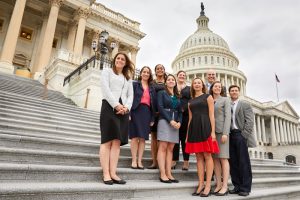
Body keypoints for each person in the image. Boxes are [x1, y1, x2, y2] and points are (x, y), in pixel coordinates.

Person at [99, 52, 134, 185]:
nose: (120, 60)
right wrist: (116, 105)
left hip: (123, 111)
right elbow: (105, 89)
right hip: (109, 107)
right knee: (107, 141)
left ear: (125, 63)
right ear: (115, 60)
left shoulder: (127, 78)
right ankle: (106, 173)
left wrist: (126, 108)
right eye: (118, 58)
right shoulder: (107, 72)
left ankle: (113, 173)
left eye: (122, 59)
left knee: (117, 143)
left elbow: (131, 95)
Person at [185, 78, 219, 197]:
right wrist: (187, 135)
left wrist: (213, 132)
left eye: (199, 83)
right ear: (192, 86)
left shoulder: (208, 97)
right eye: (195, 83)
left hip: (205, 127)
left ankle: (208, 185)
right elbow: (190, 119)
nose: (197, 84)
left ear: (202, 85)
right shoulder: (190, 101)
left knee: (207, 155)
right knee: (198, 157)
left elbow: (211, 115)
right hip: (194, 128)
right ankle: (200, 184)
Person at [228, 85, 256, 196]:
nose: (234, 92)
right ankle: (237, 186)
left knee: (244, 162)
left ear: (238, 92)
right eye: (232, 91)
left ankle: (245, 188)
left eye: (236, 90)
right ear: (229, 93)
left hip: (240, 134)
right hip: (230, 135)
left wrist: (244, 135)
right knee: (233, 162)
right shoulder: (228, 104)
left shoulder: (245, 104)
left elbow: (250, 121)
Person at [129, 66, 156, 170]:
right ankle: (134, 160)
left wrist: (153, 118)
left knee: (143, 138)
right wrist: (129, 113)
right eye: (144, 72)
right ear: (141, 74)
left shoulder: (152, 88)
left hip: (146, 113)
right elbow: (130, 98)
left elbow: (154, 104)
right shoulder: (135, 84)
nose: (146, 74)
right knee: (135, 137)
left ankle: (140, 161)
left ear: (149, 75)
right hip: (135, 111)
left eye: (148, 72)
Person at [157, 74, 182, 183]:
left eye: (173, 80)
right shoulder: (161, 93)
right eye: (169, 79)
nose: (171, 81)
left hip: (175, 124)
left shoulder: (177, 95)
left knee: (170, 149)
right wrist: (170, 120)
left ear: (175, 82)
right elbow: (160, 108)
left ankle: (169, 173)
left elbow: (180, 111)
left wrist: (179, 122)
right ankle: (162, 174)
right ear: (165, 82)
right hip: (164, 121)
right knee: (163, 147)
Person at [209, 81, 231, 196]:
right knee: (215, 159)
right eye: (215, 86)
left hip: (221, 132)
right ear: (212, 88)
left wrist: (225, 133)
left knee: (223, 158)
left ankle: (225, 186)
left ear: (221, 89)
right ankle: (218, 184)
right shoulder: (209, 99)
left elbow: (228, 117)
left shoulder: (225, 100)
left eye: (219, 86)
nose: (217, 88)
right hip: (211, 133)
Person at [147, 64, 167, 169]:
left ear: (164, 71)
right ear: (155, 71)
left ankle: (161, 162)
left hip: (164, 113)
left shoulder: (168, 82)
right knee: (154, 138)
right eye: (158, 69)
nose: (160, 70)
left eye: (161, 68)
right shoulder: (152, 83)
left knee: (162, 138)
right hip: (154, 113)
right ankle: (154, 161)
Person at [172, 70, 190, 170]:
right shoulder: (173, 87)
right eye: (180, 75)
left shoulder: (189, 88)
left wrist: (185, 109)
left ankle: (186, 161)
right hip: (174, 115)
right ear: (177, 76)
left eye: (183, 75)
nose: (182, 76)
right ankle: (174, 159)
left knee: (184, 139)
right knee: (175, 138)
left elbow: (191, 101)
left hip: (185, 115)